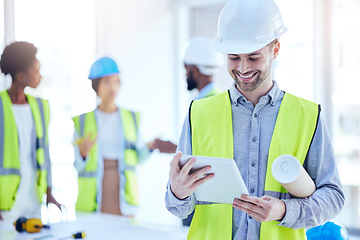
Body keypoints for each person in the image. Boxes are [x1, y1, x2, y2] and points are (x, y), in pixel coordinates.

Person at [165, 0, 345, 239]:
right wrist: (177, 192)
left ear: (276, 50)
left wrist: (284, 210)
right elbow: (177, 207)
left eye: (253, 57)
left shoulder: (307, 115)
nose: (242, 68)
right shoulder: (198, 113)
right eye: (233, 57)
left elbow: (333, 196)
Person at [73, 57, 167, 217]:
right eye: (107, 82)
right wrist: (82, 154)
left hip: (124, 192)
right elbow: (78, 165)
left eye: (116, 82)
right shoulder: (82, 121)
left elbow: (137, 158)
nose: (113, 87)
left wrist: (150, 146)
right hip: (94, 195)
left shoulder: (130, 118)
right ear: (96, 86)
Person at [0, 41, 60, 224]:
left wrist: (49, 191)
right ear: (20, 75)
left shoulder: (41, 107)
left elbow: (45, 151)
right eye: (36, 70)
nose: (40, 76)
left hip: (34, 196)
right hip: (6, 201)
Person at [150, 36, 223, 154]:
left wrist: (174, 148)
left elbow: (209, 151)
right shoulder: (213, 98)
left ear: (194, 70)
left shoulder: (208, 103)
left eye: (186, 70)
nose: (185, 75)